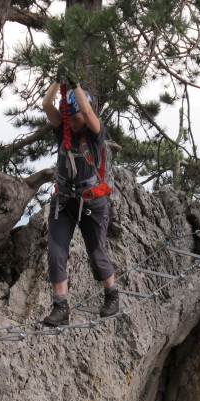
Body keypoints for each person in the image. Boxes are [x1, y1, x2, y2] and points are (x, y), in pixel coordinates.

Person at [41, 80, 119, 327]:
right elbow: (45, 104)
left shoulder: (95, 135)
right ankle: (60, 307)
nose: (71, 122)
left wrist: (75, 86)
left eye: (74, 118)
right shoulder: (63, 131)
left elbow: (86, 112)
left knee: (96, 253)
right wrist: (57, 82)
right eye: (68, 117)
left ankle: (111, 295)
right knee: (55, 252)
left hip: (91, 202)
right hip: (64, 200)